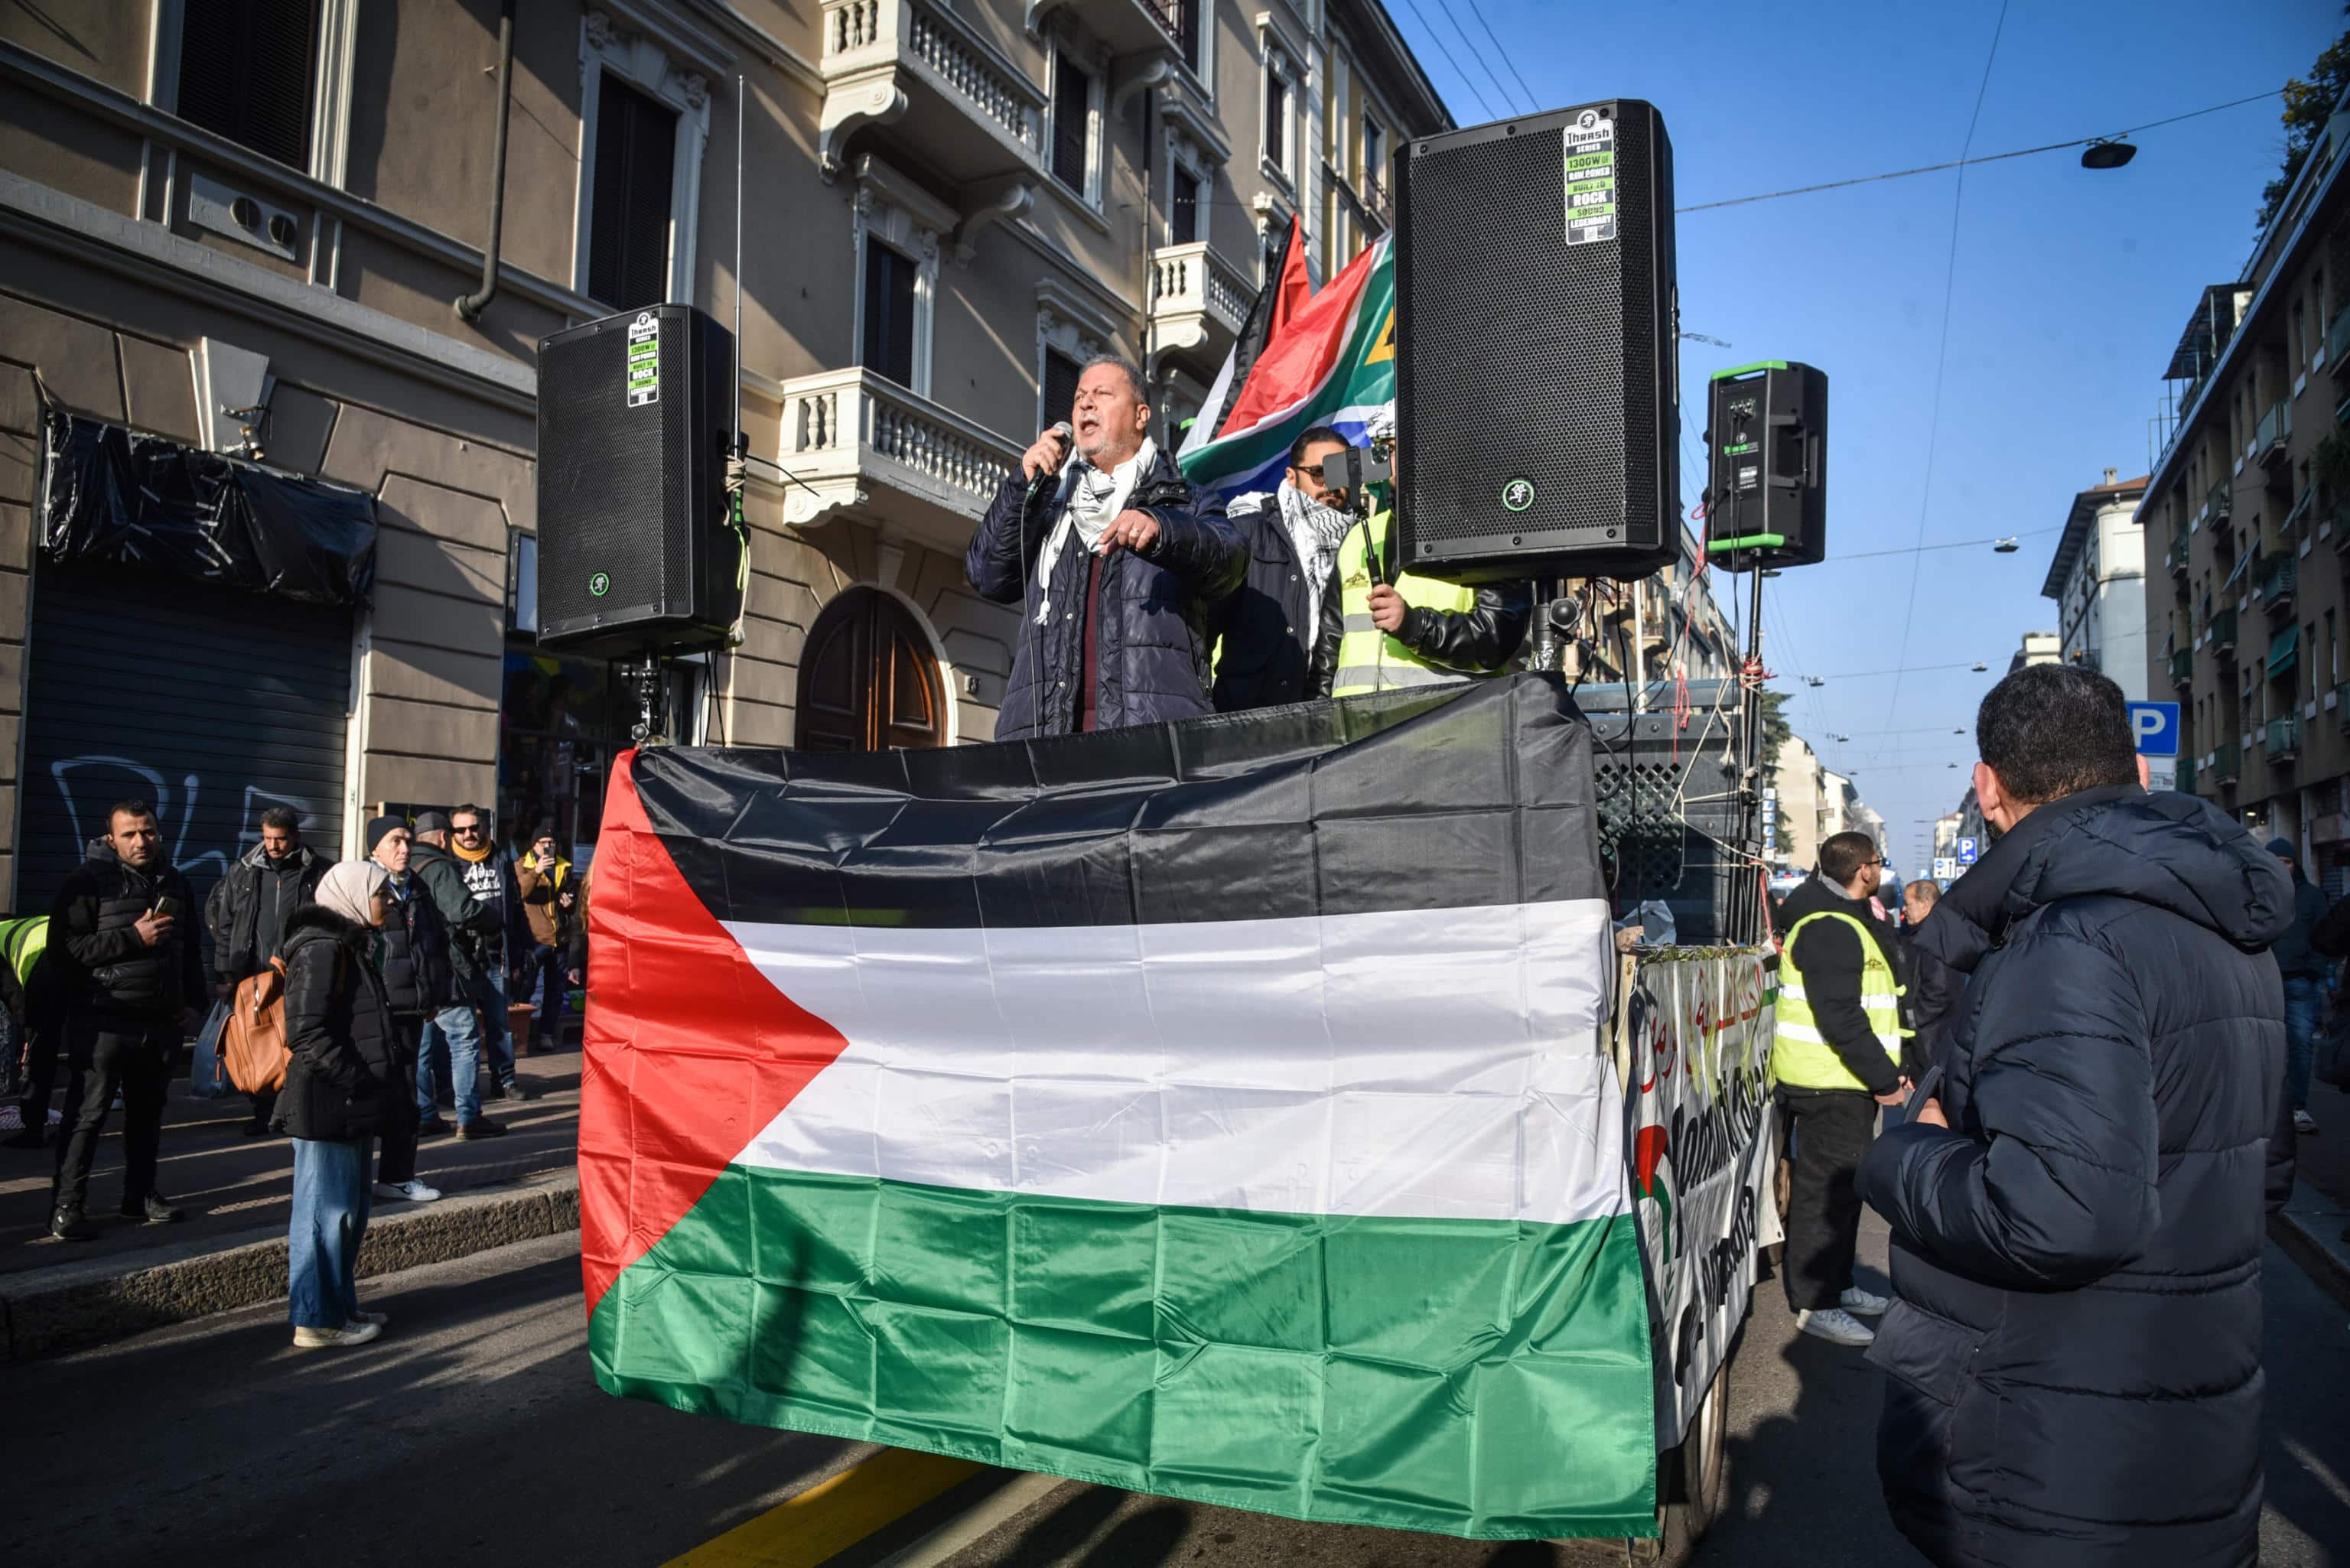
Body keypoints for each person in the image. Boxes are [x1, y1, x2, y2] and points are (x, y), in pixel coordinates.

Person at [1857, 665, 2294, 1568]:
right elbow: (2267, 1169)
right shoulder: (2228, 929)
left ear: (1988, 788)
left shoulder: (2070, 942)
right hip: (2189, 1433)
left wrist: (1906, 1155)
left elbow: (2057, 1215)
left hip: (2060, 1461)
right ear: (2137, 769)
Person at [965, 356, 1244, 738]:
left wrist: (1163, 530)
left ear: (1141, 415)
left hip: (1151, 743)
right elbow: (988, 577)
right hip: (1046, 744)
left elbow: (1231, 562)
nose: (1085, 404)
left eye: (1102, 394)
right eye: (1079, 396)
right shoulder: (1048, 502)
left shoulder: (1183, 502)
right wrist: (1022, 487)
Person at [1769, 829, 1909, 1347]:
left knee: (1843, 1193)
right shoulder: (1829, 926)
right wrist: (1884, 1078)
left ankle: (1838, 1284)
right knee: (1821, 1195)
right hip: (1827, 1080)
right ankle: (1815, 1302)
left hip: (1839, 1079)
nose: (1879, 868)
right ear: (1864, 870)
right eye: (1877, 860)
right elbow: (1841, 1017)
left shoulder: (1840, 917)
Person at [47, 801, 203, 1240]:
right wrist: (132, 937)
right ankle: (67, 1206)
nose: (141, 841)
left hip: (160, 1022)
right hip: (104, 1021)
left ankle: (139, 1196)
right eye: (131, 834)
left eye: (148, 831)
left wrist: (193, 1001)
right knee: (88, 1115)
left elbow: (187, 948)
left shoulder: (175, 881)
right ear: (111, 838)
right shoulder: (86, 881)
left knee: (147, 1115)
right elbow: (65, 951)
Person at [278, 860, 400, 1350]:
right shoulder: (323, 949)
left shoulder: (348, 946)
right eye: (382, 894)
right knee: (323, 1214)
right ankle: (316, 1319)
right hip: (327, 1101)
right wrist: (355, 1081)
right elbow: (306, 1031)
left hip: (349, 1102)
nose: (389, 903)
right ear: (353, 895)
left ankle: (339, 1305)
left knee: (347, 1214)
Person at [1330, 422, 1530, 696]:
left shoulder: (1486, 532)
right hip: (1359, 729)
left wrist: (1414, 626)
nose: (1399, 459)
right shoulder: (1356, 538)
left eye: (1411, 445)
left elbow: (1496, 640)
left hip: (1443, 729)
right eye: (1390, 449)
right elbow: (1328, 649)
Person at [1210, 425, 1353, 711]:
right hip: (1248, 717)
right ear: (1291, 476)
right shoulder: (1249, 532)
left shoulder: (1362, 540)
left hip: (1327, 712)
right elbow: (1205, 624)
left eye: (1342, 471)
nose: (1331, 484)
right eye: (1319, 472)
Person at [205, 805, 327, 1137]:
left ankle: (290, 1110)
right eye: (268, 838)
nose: (273, 846)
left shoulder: (318, 872)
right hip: (253, 974)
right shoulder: (244, 872)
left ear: (296, 837)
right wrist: (224, 975)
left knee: (294, 1042)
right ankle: (261, 1112)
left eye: (281, 839)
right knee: (256, 1044)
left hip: (298, 973)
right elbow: (227, 925)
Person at [413, 806, 526, 1113]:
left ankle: (505, 1080)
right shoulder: (445, 863)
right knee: (452, 1031)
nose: (468, 835)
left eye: (473, 828)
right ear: (447, 835)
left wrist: (518, 949)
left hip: (492, 956)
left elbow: (514, 906)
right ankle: (457, 1098)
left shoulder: (500, 858)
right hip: (460, 959)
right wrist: (486, 920)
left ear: (484, 827)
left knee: (498, 1022)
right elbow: (460, 911)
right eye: (460, 830)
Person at [366, 817, 448, 1201]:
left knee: (407, 1098)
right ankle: (352, 1178)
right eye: (395, 841)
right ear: (374, 849)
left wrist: (433, 996)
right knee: (369, 1093)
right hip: (373, 1013)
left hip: (411, 1011)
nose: (404, 848)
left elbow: (433, 946)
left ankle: (397, 1176)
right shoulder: (364, 887)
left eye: (408, 841)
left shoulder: (418, 889)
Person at [2262, 837, 2329, 1135]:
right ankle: (2265, 1105)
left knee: (2300, 1044)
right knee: (2264, 1045)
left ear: (2295, 864)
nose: (2282, 868)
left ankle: (2297, 1106)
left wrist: (2314, 971)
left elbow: (2324, 935)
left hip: (2299, 981)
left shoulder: (2312, 897)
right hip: (2263, 982)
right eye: (2276, 862)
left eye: (2287, 862)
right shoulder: (2256, 892)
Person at [514, 823, 575, 1046]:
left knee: (555, 990)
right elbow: (519, 891)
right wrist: (537, 871)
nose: (549, 847)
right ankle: (518, 1035)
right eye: (544, 844)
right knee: (525, 987)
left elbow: (572, 895)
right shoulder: (522, 864)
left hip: (559, 938)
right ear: (534, 845)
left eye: (552, 843)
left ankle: (546, 1035)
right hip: (535, 938)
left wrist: (569, 902)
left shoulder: (563, 866)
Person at [1897, 878, 1960, 1084]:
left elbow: (1939, 990)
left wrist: (1911, 1019)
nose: (1904, 910)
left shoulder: (1934, 937)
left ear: (1924, 905)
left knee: (1930, 1104)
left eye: (1908, 904)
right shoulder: (1929, 932)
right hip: (1929, 1039)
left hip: (1930, 1042)